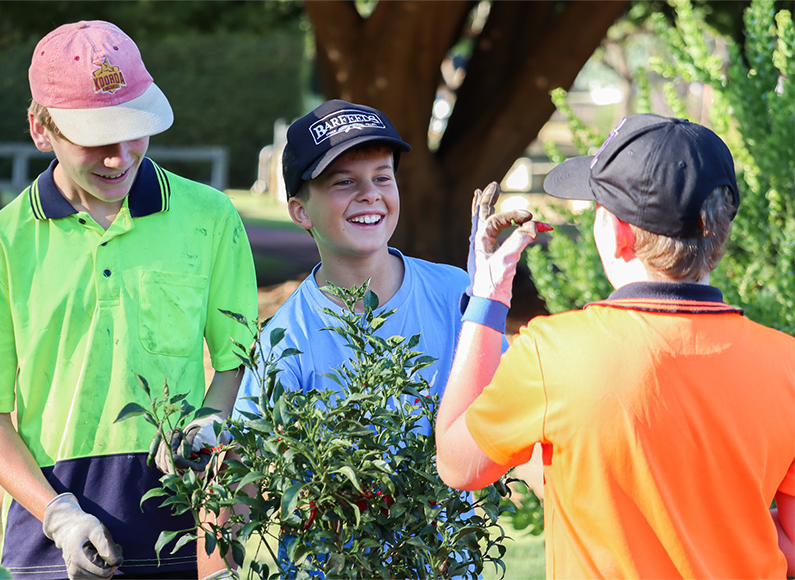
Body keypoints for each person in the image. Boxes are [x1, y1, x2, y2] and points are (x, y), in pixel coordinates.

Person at [0, 20, 257, 580]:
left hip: (183, 535)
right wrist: (59, 516)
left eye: (132, 129)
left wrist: (211, 422)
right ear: (42, 128)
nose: (118, 156)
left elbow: (238, 362)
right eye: (95, 137)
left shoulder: (211, 219)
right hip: (48, 548)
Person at [436, 113, 795, 578]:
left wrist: (487, 298)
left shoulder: (554, 356)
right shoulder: (786, 363)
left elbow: (458, 463)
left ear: (620, 234)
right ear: (719, 235)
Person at [226, 99, 479, 575]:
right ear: (301, 211)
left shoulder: (457, 296)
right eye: (344, 182)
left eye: (383, 177)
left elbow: (512, 415)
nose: (370, 194)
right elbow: (246, 475)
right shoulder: (286, 337)